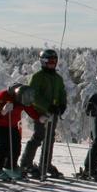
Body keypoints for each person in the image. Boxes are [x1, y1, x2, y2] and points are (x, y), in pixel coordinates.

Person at [19, 49, 67, 179]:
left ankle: (45, 164)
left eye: (54, 62)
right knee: (38, 136)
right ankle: (26, 163)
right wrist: (47, 106)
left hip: (53, 113)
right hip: (41, 113)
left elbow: (62, 93)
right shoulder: (38, 77)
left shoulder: (57, 78)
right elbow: (33, 96)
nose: (52, 64)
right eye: (50, 61)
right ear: (43, 62)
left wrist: (62, 105)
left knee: (50, 139)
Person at [0, 83, 39, 179]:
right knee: (3, 146)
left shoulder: (23, 96)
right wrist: (3, 111)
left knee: (16, 146)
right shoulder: (4, 95)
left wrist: (39, 117)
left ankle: (10, 166)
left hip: (13, 125)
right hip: (1, 124)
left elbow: (30, 109)